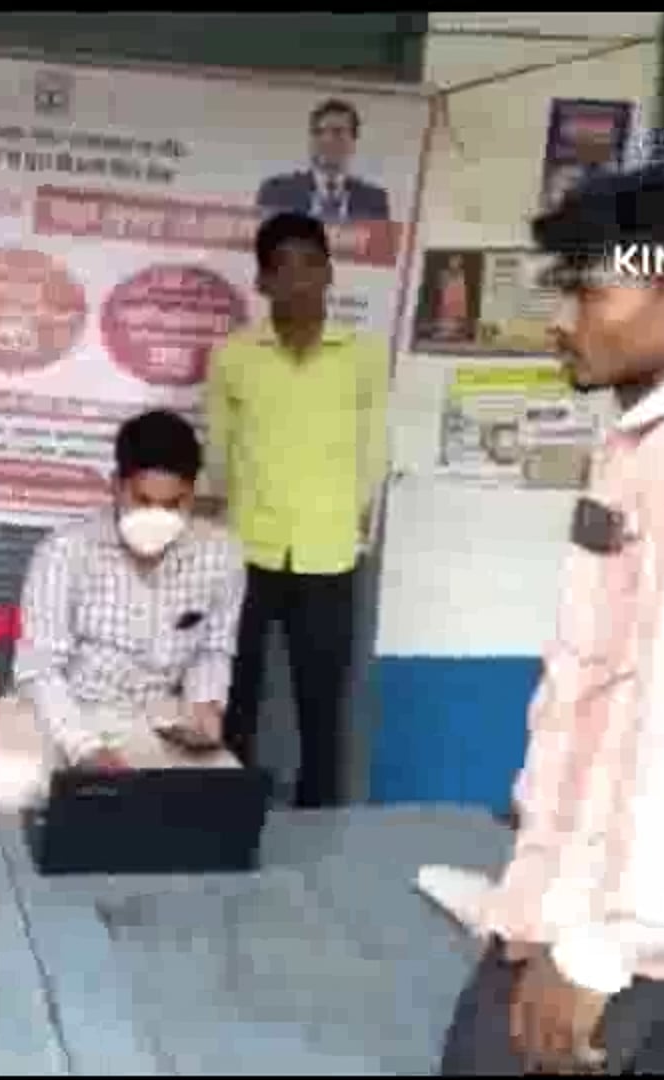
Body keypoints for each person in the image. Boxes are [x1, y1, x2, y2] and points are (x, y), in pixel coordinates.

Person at [439, 165, 664, 1076]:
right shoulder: (652, 440)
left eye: (588, 291)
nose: (561, 322)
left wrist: (598, 950)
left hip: (617, 915)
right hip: (608, 896)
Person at [203, 211, 390, 809]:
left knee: (322, 703)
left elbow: (374, 452)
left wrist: (343, 514)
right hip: (247, 553)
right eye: (282, 268)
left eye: (311, 265)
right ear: (262, 282)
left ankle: (320, 817)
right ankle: (225, 812)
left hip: (328, 555)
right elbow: (218, 452)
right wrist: (236, 516)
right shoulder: (234, 356)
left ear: (330, 274)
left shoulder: (362, 356)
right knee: (235, 696)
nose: (298, 280)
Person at [0, 410, 247, 813]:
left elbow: (213, 649)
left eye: (173, 504)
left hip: (156, 715)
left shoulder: (221, 556)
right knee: (7, 786)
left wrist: (206, 704)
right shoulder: (65, 552)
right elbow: (38, 670)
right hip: (57, 708)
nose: (158, 517)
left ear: (191, 495)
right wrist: (85, 749)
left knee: (223, 800)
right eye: (143, 501)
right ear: (116, 486)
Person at [255, 99, 392, 223]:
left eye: (337, 132)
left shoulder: (374, 200)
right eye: (318, 132)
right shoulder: (276, 192)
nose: (327, 140)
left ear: (353, 141)